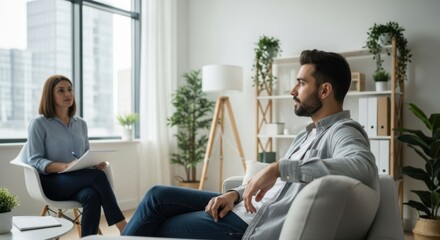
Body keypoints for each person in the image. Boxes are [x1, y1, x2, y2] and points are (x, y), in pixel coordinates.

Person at [122, 50, 379, 239]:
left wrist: (279, 167)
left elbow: (362, 166)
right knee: (157, 196)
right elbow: (275, 185)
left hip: (249, 224)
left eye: (301, 83)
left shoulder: (342, 130)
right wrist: (235, 193)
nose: (292, 90)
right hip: (245, 206)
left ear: (324, 91)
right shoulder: (306, 134)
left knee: (157, 224)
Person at [26, 75, 127, 237]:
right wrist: (65, 166)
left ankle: (88, 237)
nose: (68, 94)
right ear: (49, 95)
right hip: (52, 182)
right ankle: (123, 227)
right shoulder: (39, 123)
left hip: (77, 179)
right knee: (98, 177)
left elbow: (83, 156)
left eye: (70, 89)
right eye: (61, 90)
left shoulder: (81, 124)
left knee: (92, 195)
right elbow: (35, 160)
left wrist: (92, 164)